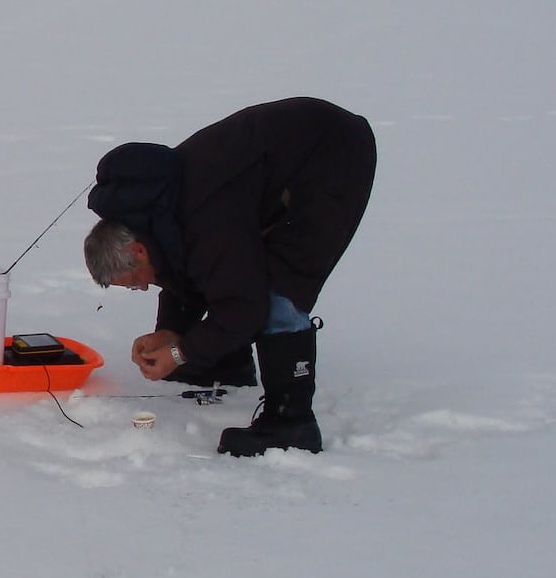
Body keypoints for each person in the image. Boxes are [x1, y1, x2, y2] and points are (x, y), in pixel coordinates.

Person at [83, 98, 376, 456]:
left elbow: (243, 306)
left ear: (137, 252)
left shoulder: (204, 219)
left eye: (132, 281)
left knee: (277, 289)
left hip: (332, 156)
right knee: (232, 271)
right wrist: (170, 331)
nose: (142, 286)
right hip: (290, 158)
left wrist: (180, 351)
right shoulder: (159, 216)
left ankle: (291, 422)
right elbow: (186, 269)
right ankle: (225, 362)